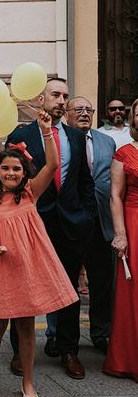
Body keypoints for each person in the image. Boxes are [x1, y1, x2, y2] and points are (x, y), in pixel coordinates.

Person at [0, 109, 79, 397]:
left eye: (16, 169)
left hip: (29, 268)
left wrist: (46, 131)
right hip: (3, 268)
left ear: (24, 173)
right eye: (5, 168)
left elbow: (53, 164)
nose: (11, 173)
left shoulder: (31, 192)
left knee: (27, 327)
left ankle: (28, 383)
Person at [6, 78, 96, 379]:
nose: (61, 100)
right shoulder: (21, 135)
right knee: (25, 288)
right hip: (32, 224)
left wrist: (86, 217)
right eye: (55, 95)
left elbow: (85, 182)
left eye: (65, 96)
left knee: (69, 291)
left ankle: (69, 350)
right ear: (41, 99)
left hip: (70, 224)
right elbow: (11, 182)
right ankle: (20, 350)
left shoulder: (77, 137)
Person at [65, 97, 116, 353]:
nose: (85, 114)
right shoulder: (61, 140)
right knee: (66, 281)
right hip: (71, 220)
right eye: (79, 110)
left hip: (102, 220)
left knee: (103, 280)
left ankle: (101, 332)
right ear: (67, 114)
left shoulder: (107, 141)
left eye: (89, 110)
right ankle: (60, 337)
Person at [103, 97, 138, 381]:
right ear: (133, 119)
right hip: (133, 220)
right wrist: (120, 234)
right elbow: (114, 194)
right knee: (133, 290)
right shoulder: (124, 152)